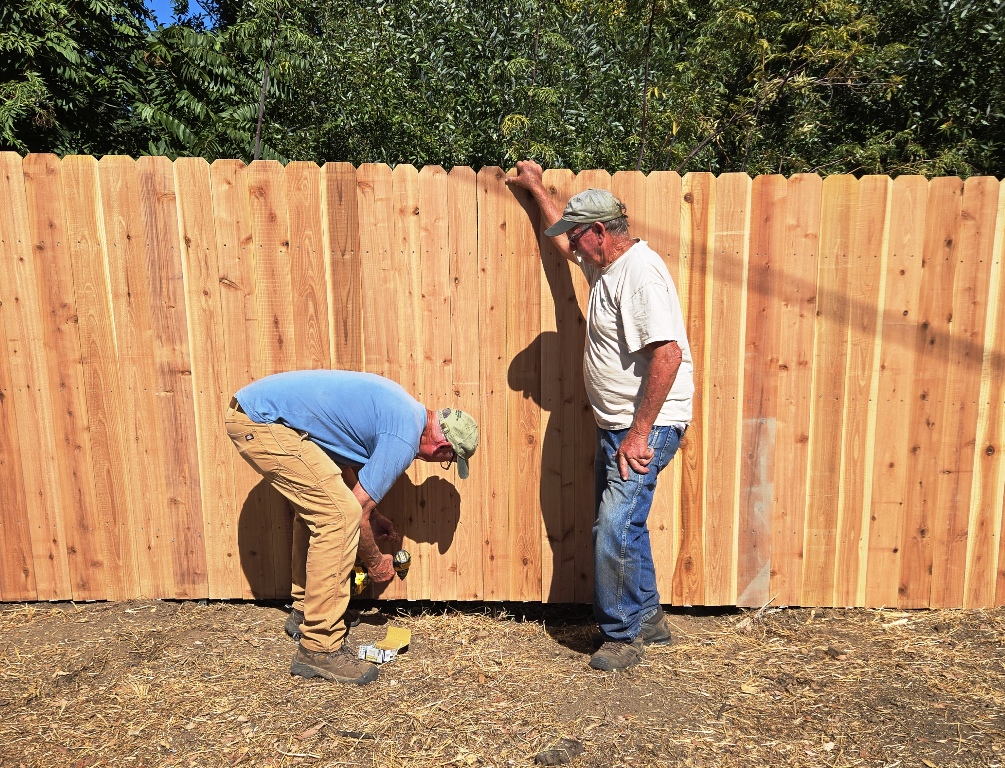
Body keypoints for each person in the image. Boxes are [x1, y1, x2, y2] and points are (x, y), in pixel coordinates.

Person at [507, 161, 694, 672]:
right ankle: (649, 617)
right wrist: (536, 189)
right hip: (618, 425)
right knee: (624, 524)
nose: (571, 242)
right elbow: (563, 248)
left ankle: (620, 634)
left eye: (577, 233)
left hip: (644, 427)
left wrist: (639, 433)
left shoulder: (640, 275)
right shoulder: (605, 263)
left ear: (599, 232)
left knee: (612, 526)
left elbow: (669, 354)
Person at [225, 370, 478, 685]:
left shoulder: (404, 411)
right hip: (262, 422)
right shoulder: (404, 437)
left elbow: (343, 465)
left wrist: (375, 516)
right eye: (449, 460)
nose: (442, 462)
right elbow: (353, 510)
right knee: (337, 515)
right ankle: (319, 646)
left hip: (261, 415)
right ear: (443, 448)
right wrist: (375, 562)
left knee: (324, 509)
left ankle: (306, 611)